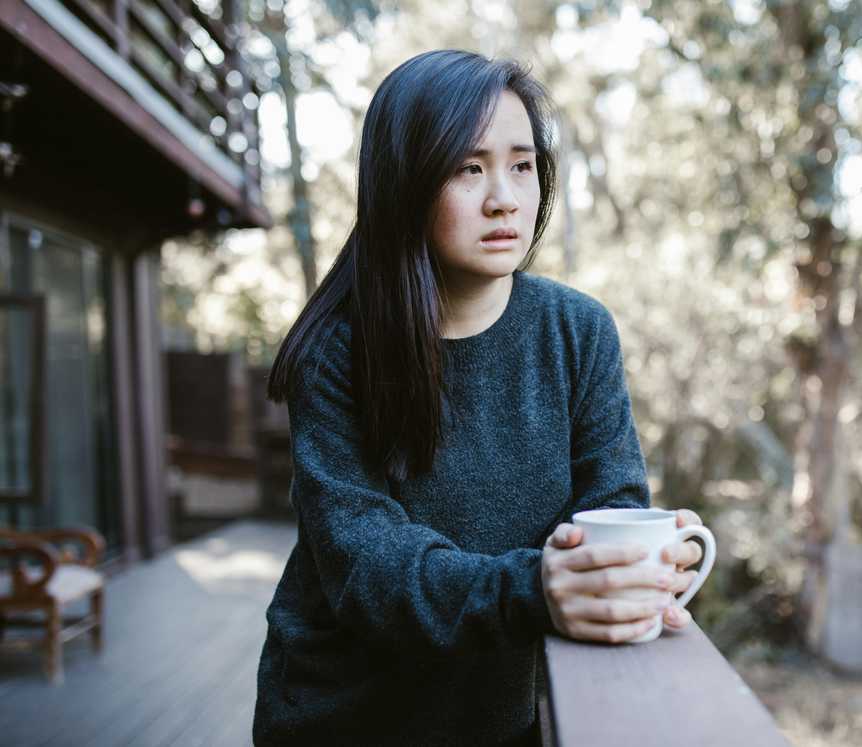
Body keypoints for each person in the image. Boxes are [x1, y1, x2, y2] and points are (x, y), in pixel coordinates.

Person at [251, 49, 706, 746]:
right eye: (469, 168)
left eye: (522, 165)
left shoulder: (578, 331)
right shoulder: (338, 351)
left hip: (503, 716)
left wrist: (631, 565)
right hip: (346, 719)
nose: (505, 197)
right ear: (406, 181)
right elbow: (369, 564)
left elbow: (612, 501)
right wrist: (540, 587)